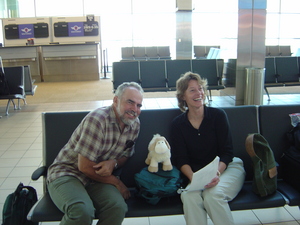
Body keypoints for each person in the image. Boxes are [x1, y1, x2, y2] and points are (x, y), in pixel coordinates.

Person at [47, 82, 144, 225]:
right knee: (81, 211)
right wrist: (117, 182)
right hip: (69, 173)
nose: (134, 109)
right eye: (130, 102)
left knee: (117, 208)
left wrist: (114, 162)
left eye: (138, 105)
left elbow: (126, 155)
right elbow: (84, 167)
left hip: (97, 178)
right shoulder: (98, 120)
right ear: (116, 100)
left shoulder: (134, 123)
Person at [170, 72, 245, 225]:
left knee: (213, 195)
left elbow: (227, 153)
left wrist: (216, 173)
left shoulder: (218, 116)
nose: (199, 93)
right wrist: (194, 179)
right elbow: (181, 159)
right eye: (192, 90)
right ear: (183, 96)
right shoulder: (178, 124)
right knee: (189, 196)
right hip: (197, 174)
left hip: (227, 167)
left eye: (200, 89)